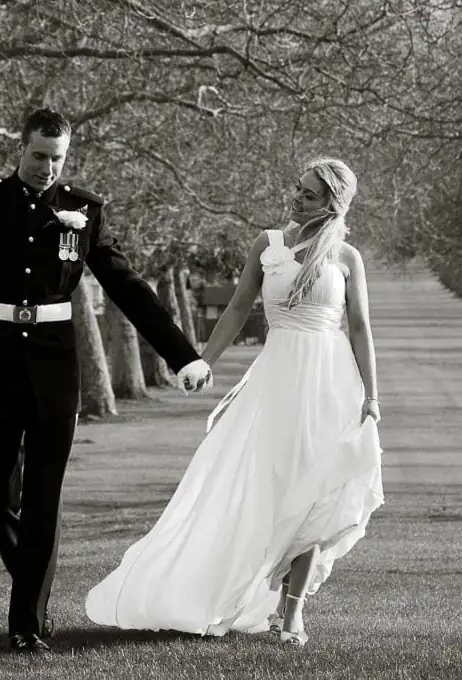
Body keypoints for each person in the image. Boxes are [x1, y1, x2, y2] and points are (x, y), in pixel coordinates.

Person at [0, 108, 211, 653]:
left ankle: (27, 623)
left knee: (44, 498)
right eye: (38, 156)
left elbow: (128, 288)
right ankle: (29, 572)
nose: (47, 168)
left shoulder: (84, 209)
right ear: (19, 151)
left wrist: (182, 357)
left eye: (57, 159)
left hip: (56, 365)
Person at [84, 157, 383, 647]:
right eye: (297, 188)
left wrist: (372, 396)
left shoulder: (347, 257)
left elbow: (360, 327)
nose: (296, 198)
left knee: (317, 492)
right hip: (277, 379)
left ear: (331, 203)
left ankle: (292, 612)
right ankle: (238, 588)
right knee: (267, 489)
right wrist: (200, 361)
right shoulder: (270, 244)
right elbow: (240, 305)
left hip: (330, 382)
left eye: (308, 194)